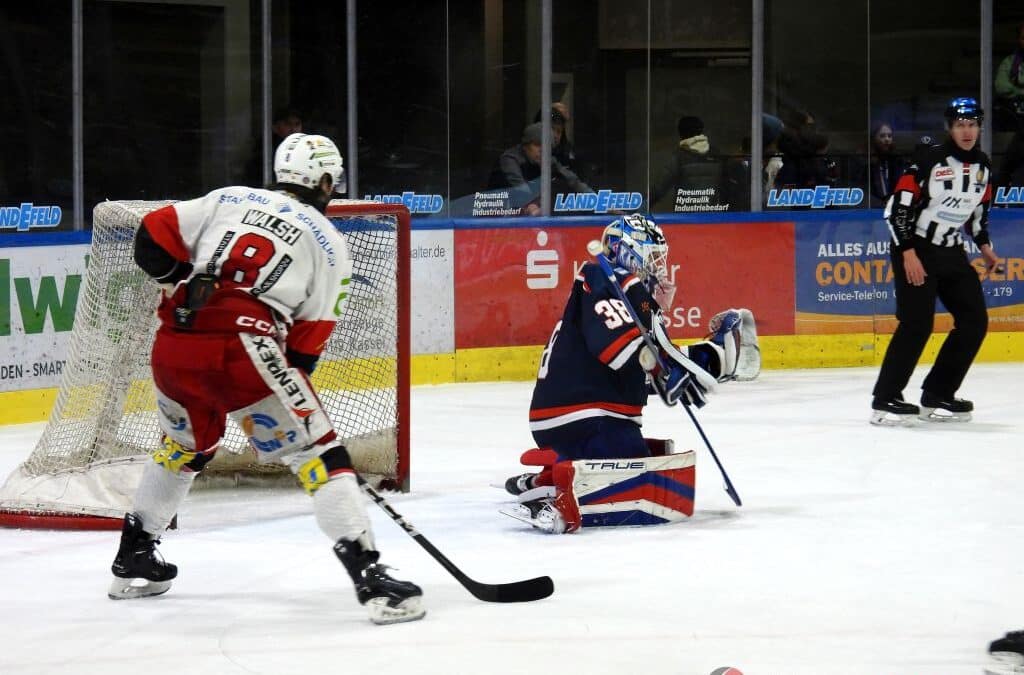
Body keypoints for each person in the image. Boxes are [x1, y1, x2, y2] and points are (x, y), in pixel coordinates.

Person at [107, 132, 425, 625]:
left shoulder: (227, 199)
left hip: (174, 344)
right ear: (323, 181)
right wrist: (293, 424)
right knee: (320, 455)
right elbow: (303, 349)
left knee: (184, 446)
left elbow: (150, 235)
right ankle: (371, 579)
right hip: (244, 351)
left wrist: (184, 287)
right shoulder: (329, 241)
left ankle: (135, 554)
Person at [502, 214, 758, 533]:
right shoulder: (602, 276)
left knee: (649, 455)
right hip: (585, 417)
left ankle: (545, 477)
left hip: (580, 415)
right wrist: (683, 363)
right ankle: (554, 492)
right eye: (652, 256)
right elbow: (625, 353)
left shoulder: (619, 290)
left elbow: (641, 367)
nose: (658, 267)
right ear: (627, 252)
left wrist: (688, 359)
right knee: (644, 467)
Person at [870, 97, 1001, 426]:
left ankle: (938, 394)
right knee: (917, 324)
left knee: (974, 322)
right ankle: (885, 400)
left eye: (972, 124)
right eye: (960, 125)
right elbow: (896, 210)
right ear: (950, 128)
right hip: (916, 248)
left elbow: (977, 216)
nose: (967, 131)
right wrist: (908, 253)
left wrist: (984, 247)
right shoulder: (928, 161)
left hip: (953, 250)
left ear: (980, 127)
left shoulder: (984, 167)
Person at [487, 121, 593, 215]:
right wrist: (532, 205)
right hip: (495, 213)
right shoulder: (510, 159)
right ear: (525, 145)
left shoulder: (548, 159)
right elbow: (520, 187)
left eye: (546, 146)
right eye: (537, 145)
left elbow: (573, 181)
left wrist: (597, 201)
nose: (542, 150)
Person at [650, 115, 724, 211]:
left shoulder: (679, 156)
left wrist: (636, 208)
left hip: (685, 219)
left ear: (681, 133)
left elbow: (658, 189)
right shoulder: (716, 155)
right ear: (701, 131)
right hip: (712, 218)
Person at [863, 121, 907, 208]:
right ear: (874, 138)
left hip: (894, 205)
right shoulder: (866, 161)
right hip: (872, 206)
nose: (887, 139)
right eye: (882, 136)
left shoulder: (897, 159)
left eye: (889, 136)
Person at [994, 23, 1024, 130]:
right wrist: (1019, 92)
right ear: (1019, 41)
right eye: (1023, 38)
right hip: (1015, 116)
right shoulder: (1009, 62)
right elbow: (1001, 86)